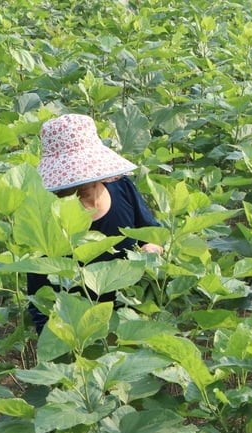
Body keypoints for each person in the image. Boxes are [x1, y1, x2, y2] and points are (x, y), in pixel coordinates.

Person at [27, 113, 163, 334]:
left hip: (130, 312)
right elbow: (40, 296)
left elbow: (152, 231)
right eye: (69, 184)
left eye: (83, 179)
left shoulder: (122, 188)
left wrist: (152, 248)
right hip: (78, 327)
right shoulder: (47, 216)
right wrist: (54, 344)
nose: (79, 187)